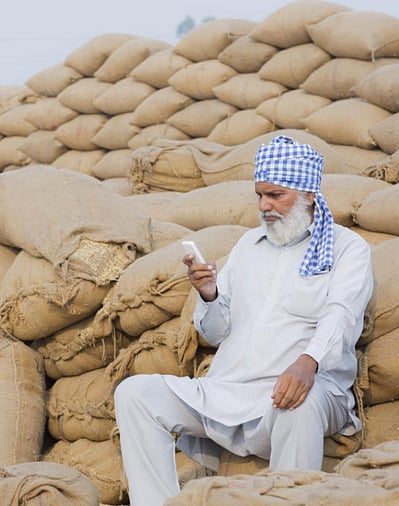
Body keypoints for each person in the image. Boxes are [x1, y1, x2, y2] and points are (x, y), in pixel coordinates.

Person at [113, 135, 374, 505]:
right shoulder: (248, 247)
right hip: (228, 392)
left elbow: (342, 315)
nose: (264, 206)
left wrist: (308, 362)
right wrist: (209, 294)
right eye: (259, 196)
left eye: (275, 195)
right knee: (135, 394)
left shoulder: (347, 249)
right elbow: (217, 332)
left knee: (302, 403)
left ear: (309, 194)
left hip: (296, 392)